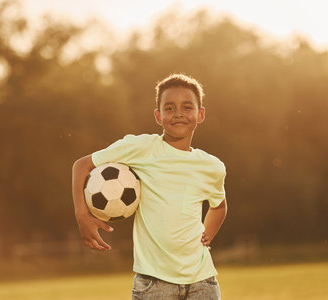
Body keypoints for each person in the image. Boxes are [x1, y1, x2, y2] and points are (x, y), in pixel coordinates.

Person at [72, 73, 227, 300]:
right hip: (154, 284)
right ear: (158, 115)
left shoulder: (211, 166)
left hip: (202, 282)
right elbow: (81, 166)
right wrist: (81, 214)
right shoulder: (141, 148)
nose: (178, 114)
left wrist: (207, 235)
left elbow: (219, 206)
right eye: (169, 108)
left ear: (200, 114)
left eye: (187, 107)